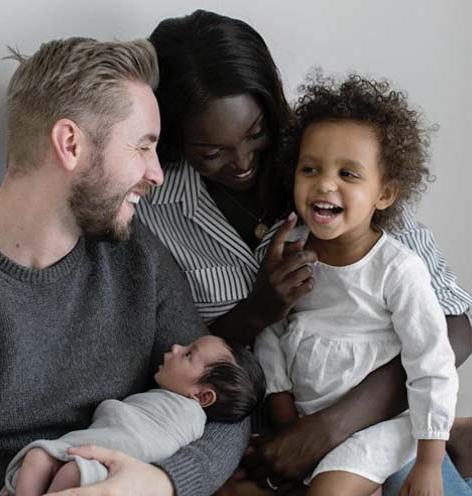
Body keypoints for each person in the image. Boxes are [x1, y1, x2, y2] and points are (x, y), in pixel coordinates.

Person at [0, 37, 250, 496]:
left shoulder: (136, 256)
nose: (157, 173)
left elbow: (227, 408)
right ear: (70, 143)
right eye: (142, 147)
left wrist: (164, 483)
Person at [136, 9, 472, 495]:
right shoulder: (155, 208)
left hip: (376, 414)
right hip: (251, 420)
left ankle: (445, 437)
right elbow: (165, 351)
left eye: (256, 134)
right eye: (212, 152)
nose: (244, 162)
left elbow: (454, 325)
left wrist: (330, 428)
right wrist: (259, 312)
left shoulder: (337, 161)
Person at [254, 73, 460, 495]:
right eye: (310, 168)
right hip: (307, 416)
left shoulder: (398, 270)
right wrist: (283, 411)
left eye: (349, 174)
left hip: (381, 426)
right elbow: (272, 334)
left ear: (384, 194)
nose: (325, 183)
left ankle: (449, 446)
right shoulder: (288, 251)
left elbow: (432, 365)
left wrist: (428, 463)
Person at [2, 335, 266, 495]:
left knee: (71, 474)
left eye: (187, 354)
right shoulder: (168, 398)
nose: (174, 346)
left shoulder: (188, 418)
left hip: (114, 470)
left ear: (202, 396)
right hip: (87, 451)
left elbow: (145, 442)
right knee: (36, 458)